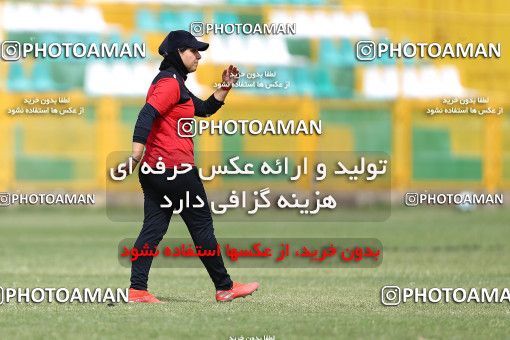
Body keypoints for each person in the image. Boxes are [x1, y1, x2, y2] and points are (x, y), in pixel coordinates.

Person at [124, 30, 259, 303]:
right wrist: (135, 154)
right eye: (193, 51)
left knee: (153, 228)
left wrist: (224, 87)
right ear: (177, 53)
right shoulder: (170, 83)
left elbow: (204, 109)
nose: (198, 56)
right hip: (176, 171)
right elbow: (147, 113)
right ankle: (224, 287)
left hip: (156, 171)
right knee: (202, 229)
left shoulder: (175, 83)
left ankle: (137, 289)